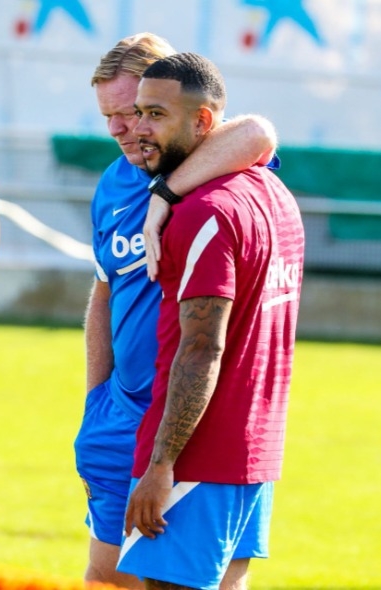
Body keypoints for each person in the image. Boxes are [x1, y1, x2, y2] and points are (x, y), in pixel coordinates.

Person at [74, 33, 279, 589]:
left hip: (190, 419)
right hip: (121, 417)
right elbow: (104, 291)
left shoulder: (211, 165)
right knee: (107, 575)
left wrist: (165, 194)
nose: (121, 129)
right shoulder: (112, 182)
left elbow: (258, 132)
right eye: (109, 116)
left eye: (133, 112)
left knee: (195, 579)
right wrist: (96, 401)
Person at [116, 52, 305, 590]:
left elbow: (202, 350)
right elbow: (255, 134)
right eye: (139, 112)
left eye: (156, 115)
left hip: (196, 459)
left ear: (203, 122)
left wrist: (161, 465)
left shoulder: (204, 213)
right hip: (253, 450)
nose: (139, 128)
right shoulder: (274, 194)